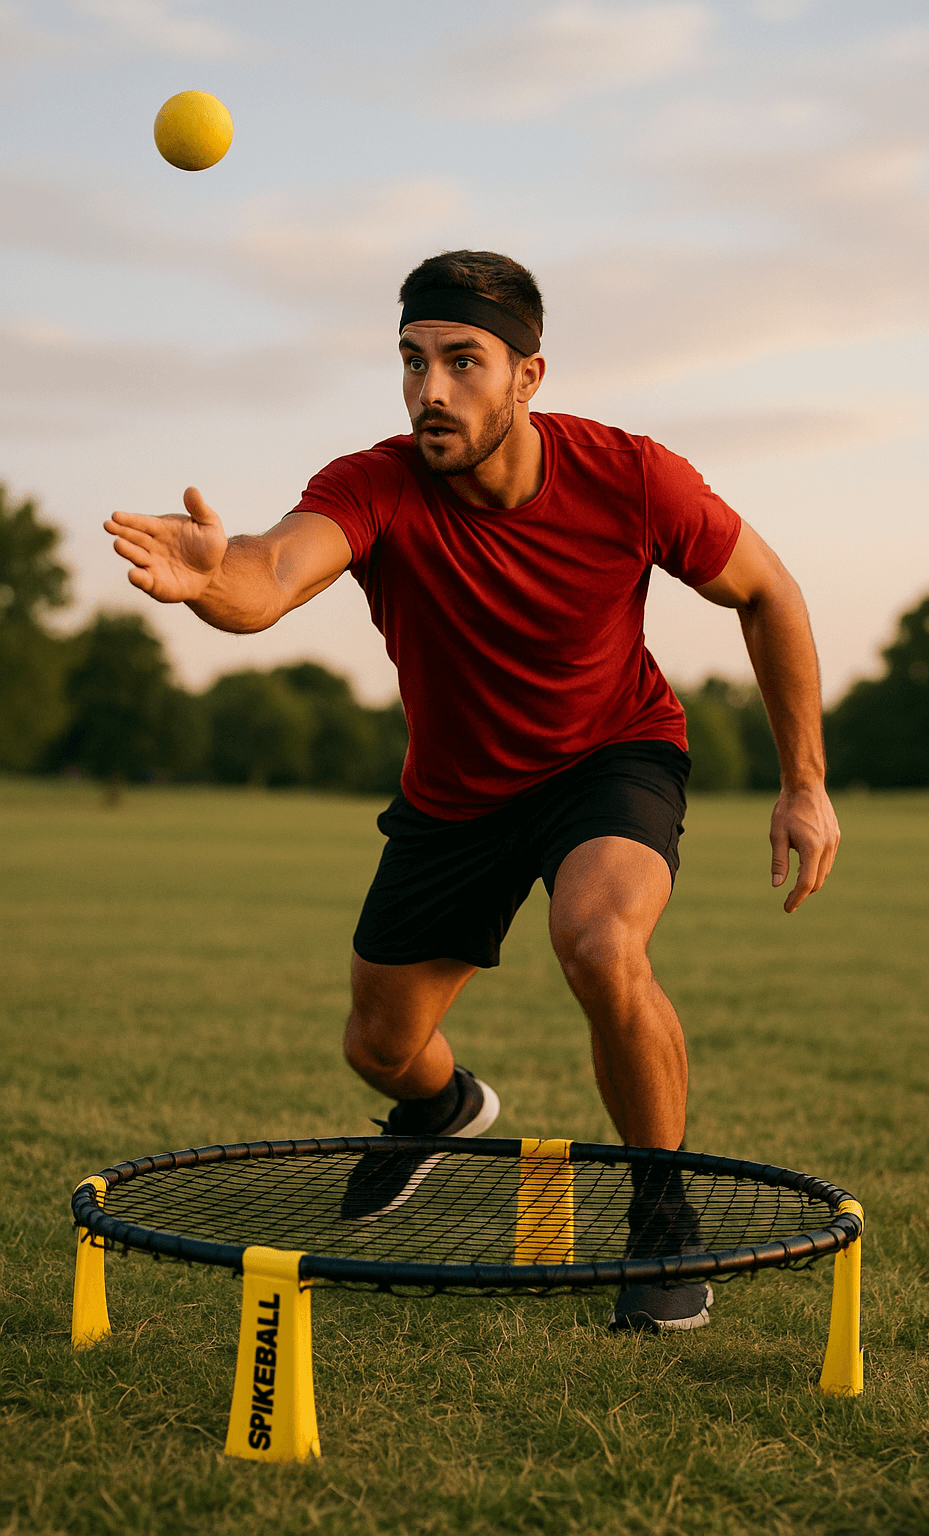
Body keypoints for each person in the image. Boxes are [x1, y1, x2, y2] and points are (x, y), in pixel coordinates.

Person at [105, 249, 840, 1333]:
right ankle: (443, 1108)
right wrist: (212, 575)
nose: (429, 390)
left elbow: (769, 593)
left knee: (599, 939)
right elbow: (267, 574)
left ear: (528, 376)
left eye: (461, 361)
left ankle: (660, 1221)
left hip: (610, 757)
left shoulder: (632, 476)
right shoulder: (374, 482)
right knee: (378, 1047)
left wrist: (804, 784)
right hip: (454, 797)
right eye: (411, 361)